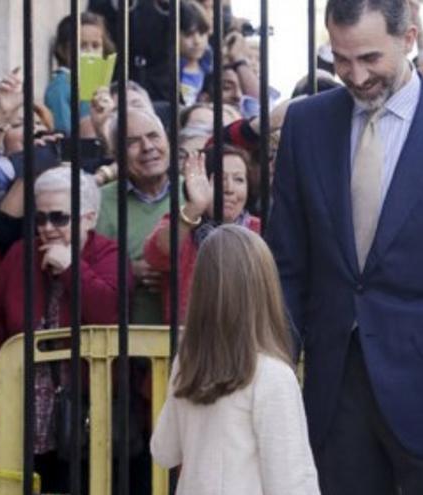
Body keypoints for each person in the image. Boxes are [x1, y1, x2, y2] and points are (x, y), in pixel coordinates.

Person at [267, 0, 423, 493]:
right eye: (340, 59)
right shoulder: (305, 125)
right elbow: (286, 262)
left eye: (370, 59)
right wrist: (276, 361)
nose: (355, 75)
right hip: (334, 387)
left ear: (409, 40)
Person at [150, 225, 319, 495]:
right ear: (265, 289)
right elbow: (292, 483)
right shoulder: (273, 376)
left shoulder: (189, 364)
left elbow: (163, 450)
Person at [0, 167, 121, 492]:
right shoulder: (21, 254)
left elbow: (110, 314)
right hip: (22, 412)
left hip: (86, 415)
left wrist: (72, 269)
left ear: (89, 218)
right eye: (41, 218)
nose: (47, 228)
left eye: (59, 218)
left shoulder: (107, 255)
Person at [144, 145, 260, 322]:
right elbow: (156, 255)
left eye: (239, 180)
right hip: (191, 339)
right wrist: (195, 207)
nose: (229, 188)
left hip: (247, 337)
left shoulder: (261, 229)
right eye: (219, 179)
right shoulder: (183, 222)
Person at [96, 108, 181, 325]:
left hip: (190, 337)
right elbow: (84, 267)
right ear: (116, 155)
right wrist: (127, 270)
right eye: (132, 142)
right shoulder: (98, 201)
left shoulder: (195, 190)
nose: (148, 147)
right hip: (124, 343)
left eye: (153, 136)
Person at [45, 12, 116, 135]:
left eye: (96, 46)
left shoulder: (100, 83)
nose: (90, 52)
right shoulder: (60, 86)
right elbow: (63, 132)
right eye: (82, 46)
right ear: (62, 50)